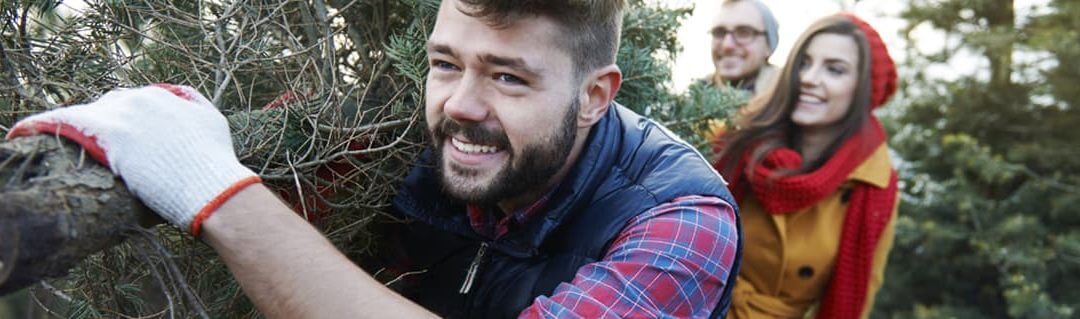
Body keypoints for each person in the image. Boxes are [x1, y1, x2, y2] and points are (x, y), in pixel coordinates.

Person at [7, 0, 742, 318]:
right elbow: (284, 147)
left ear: (595, 95)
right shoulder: (408, 132)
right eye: (445, 63)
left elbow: (226, 189)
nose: (460, 104)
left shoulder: (679, 219)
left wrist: (215, 190)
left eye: (509, 77)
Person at [710, 13, 899, 319]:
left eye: (835, 70)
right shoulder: (736, 137)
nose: (809, 78)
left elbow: (858, 298)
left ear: (862, 90)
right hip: (694, 307)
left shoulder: (873, 187)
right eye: (803, 63)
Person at [709, 0, 780, 93]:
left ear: (768, 46)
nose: (727, 45)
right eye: (719, 32)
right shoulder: (691, 101)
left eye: (744, 33)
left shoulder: (792, 98)